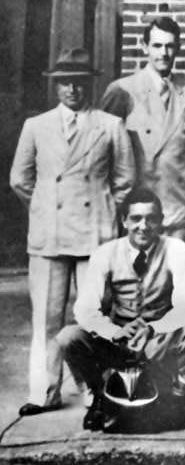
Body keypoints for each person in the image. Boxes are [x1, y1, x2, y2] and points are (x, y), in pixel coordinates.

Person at [10, 47, 136, 416]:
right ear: (55, 86)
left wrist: (101, 205)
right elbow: (20, 179)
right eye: (65, 83)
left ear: (89, 86)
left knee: (93, 316)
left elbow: (125, 180)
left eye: (79, 83)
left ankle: (94, 390)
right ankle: (44, 392)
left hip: (94, 234)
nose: (72, 90)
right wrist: (47, 204)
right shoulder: (36, 126)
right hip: (49, 236)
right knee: (47, 319)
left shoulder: (110, 125)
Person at [56, 188, 185, 431]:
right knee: (68, 337)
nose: (143, 226)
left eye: (151, 218)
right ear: (124, 221)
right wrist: (114, 331)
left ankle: (182, 394)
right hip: (120, 339)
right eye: (136, 219)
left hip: (158, 340)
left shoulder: (175, 249)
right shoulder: (105, 253)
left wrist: (152, 328)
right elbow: (84, 309)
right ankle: (98, 394)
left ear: (161, 221)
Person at [100, 17, 185, 241]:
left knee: (174, 274)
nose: (164, 53)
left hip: (177, 209)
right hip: (138, 212)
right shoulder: (122, 90)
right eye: (157, 45)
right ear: (144, 46)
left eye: (169, 46)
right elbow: (103, 154)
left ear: (178, 48)